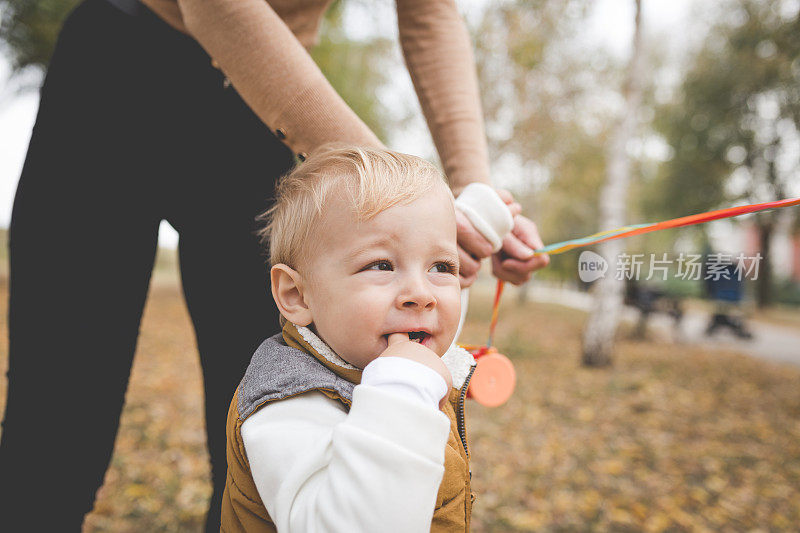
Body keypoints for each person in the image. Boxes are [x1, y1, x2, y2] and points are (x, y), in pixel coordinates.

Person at [0, 0, 549, 530]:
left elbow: (429, 12)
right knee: (57, 421)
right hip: (118, 69)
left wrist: (478, 201)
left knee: (265, 446)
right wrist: (411, 205)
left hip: (253, 113)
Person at [222, 145, 508, 532]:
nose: (421, 294)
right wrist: (403, 391)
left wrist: (486, 213)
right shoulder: (288, 400)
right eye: (381, 265)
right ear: (296, 295)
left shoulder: (370, 349)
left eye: (441, 266)